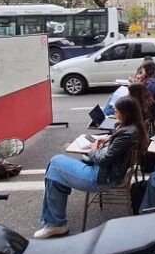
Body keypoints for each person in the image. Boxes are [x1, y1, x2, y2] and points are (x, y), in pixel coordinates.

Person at [35, 96, 146, 238]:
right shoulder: (135, 128)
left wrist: (93, 150)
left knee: (55, 163)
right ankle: (55, 222)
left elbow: (104, 161)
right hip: (109, 174)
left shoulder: (126, 133)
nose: (114, 113)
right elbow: (118, 147)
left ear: (125, 113)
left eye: (116, 111)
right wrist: (109, 138)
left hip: (101, 177)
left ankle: (56, 223)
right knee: (54, 174)